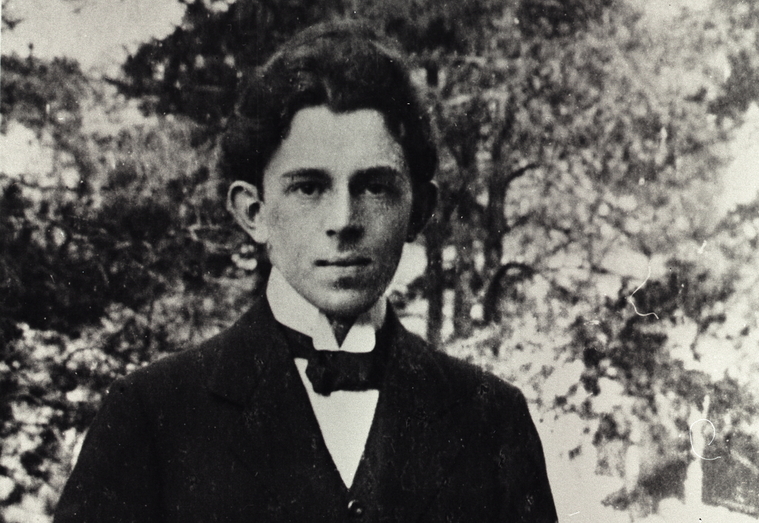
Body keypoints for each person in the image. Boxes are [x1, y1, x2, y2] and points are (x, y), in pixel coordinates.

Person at [54, 21, 557, 523]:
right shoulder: (151, 415)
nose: (343, 221)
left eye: (375, 187)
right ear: (253, 212)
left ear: (419, 210)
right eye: (309, 187)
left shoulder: (492, 420)